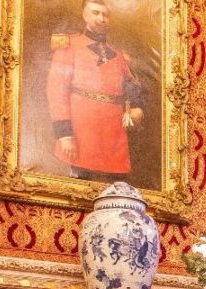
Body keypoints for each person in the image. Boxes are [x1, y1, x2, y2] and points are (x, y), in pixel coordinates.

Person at [46, 0, 143, 182]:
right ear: (85, 15)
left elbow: (131, 84)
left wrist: (137, 108)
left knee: (114, 193)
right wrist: (65, 134)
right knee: (81, 189)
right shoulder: (69, 45)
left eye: (105, 15)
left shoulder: (118, 53)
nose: (101, 19)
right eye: (96, 13)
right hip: (82, 132)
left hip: (113, 134)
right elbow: (56, 90)